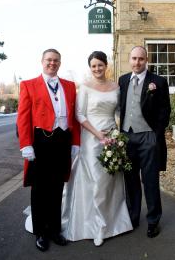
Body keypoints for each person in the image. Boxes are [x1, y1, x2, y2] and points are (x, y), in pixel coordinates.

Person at [61, 51, 133, 246]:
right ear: (90, 68)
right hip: (92, 139)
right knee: (96, 181)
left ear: (106, 65)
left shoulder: (116, 87)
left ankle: (113, 222)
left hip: (112, 137)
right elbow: (80, 115)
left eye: (100, 65)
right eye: (93, 66)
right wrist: (97, 133)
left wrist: (117, 134)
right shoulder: (84, 88)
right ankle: (96, 227)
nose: (97, 69)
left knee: (110, 179)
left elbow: (118, 111)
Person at [17, 48, 80, 252]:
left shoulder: (70, 86)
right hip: (40, 141)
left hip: (62, 140)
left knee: (57, 188)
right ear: (42, 61)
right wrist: (26, 144)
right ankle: (41, 233)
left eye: (56, 60)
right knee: (40, 189)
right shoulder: (28, 85)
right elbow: (23, 117)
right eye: (49, 60)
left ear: (60, 63)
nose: (52, 63)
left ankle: (54, 230)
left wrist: (75, 143)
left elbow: (75, 118)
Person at [118, 46, 171, 238]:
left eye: (141, 59)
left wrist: (156, 134)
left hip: (148, 137)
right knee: (130, 180)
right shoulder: (123, 80)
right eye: (134, 58)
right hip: (127, 136)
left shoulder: (158, 81)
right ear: (129, 59)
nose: (137, 62)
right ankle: (133, 218)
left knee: (150, 180)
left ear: (146, 60)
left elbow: (165, 110)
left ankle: (153, 221)